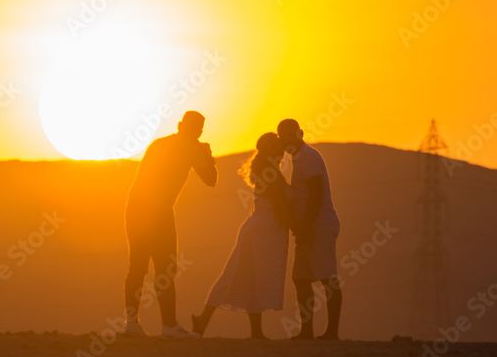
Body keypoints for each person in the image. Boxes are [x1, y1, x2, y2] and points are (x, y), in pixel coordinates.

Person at [123, 110, 217, 338]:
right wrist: (208, 155)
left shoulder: (159, 143)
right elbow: (211, 180)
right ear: (184, 126)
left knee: (138, 267)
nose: (197, 133)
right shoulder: (193, 147)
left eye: (199, 130)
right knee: (164, 270)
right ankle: (169, 326)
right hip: (157, 212)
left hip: (136, 208)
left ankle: (132, 324)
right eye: (196, 129)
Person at [191, 133, 291, 339]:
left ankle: (210, 320)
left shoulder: (265, 169)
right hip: (266, 227)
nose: (281, 151)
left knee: (247, 276)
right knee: (253, 276)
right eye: (276, 148)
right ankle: (247, 329)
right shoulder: (271, 172)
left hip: (256, 226)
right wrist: (296, 225)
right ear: (268, 150)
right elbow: (279, 206)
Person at [277, 118, 342, 340]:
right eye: (281, 136)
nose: (284, 140)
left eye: (287, 135)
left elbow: (316, 193)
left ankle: (331, 332)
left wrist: (305, 226)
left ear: (299, 134)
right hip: (308, 226)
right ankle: (307, 331)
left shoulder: (309, 158)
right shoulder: (299, 158)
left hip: (319, 224)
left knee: (327, 277)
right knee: (301, 278)